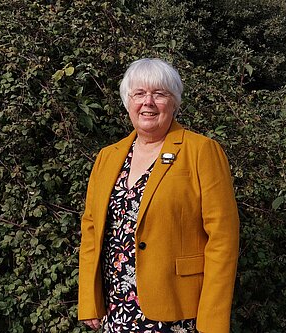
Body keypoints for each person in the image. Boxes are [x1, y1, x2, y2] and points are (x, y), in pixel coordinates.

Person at [78, 58, 240, 333]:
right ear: (127, 101)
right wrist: (89, 301)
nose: (148, 102)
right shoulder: (108, 157)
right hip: (116, 308)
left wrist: (213, 321)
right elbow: (91, 230)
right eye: (139, 94)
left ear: (174, 102)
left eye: (159, 94)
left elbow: (223, 239)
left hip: (177, 313)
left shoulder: (201, 151)